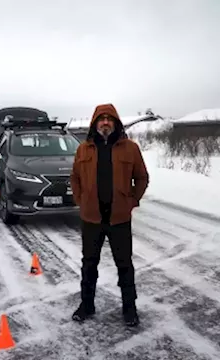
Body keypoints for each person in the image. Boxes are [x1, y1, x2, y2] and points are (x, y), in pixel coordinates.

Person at [69, 103, 149, 327]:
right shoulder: (84, 149)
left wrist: (132, 200)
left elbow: (142, 178)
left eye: (109, 119)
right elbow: (74, 177)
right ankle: (87, 305)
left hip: (119, 219)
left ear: (116, 123)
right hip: (91, 218)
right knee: (88, 264)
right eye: (101, 119)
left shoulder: (130, 148)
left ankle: (129, 308)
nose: (105, 122)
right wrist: (80, 199)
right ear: (95, 124)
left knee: (125, 265)